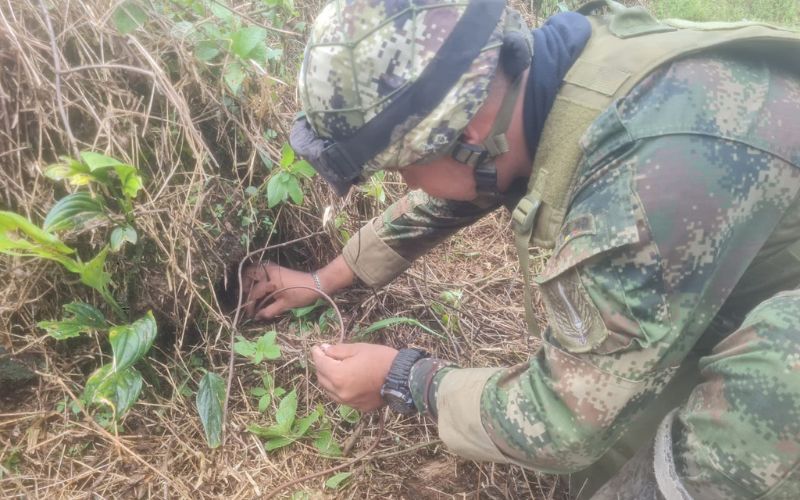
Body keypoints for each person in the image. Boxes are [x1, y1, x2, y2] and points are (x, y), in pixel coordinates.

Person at [242, 0, 800, 497]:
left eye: (402, 167)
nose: (408, 184)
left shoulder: (645, 179)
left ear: (471, 132)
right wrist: (321, 281)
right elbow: (449, 195)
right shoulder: (548, 83)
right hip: (750, 276)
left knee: (761, 407)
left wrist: (405, 379)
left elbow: (564, 422)